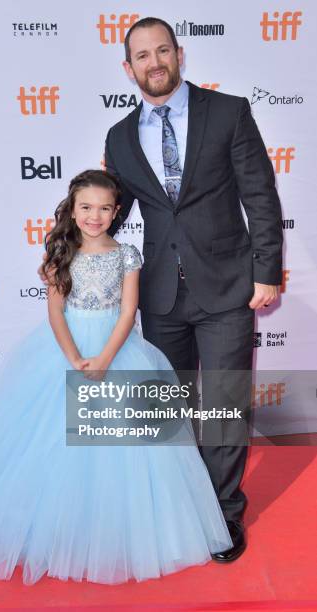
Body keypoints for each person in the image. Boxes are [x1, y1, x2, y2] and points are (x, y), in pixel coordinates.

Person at [0, 170, 233, 586]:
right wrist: (74, 359)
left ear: (117, 212)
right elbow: (54, 312)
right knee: (52, 440)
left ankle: (119, 531)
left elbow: (128, 312)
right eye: (86, 207)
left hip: (117, 352)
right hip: (65, 352)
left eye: (104, 208)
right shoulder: (60, 253)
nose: (95, 216)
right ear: (72, 209)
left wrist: (104, 359)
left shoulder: (127, 255)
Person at [82, 17, 283, 562]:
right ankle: (177, 507)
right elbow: (111, 215)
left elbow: (260, 195)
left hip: (227, 287)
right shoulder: (119, 137)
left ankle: (222, 517)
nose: (154, 63)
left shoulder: (228, 112)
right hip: (159, 293)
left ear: (179, 53)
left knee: (221, 407)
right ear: (128, 69)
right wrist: (69, 251)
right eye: (142, 56)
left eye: (162, 51)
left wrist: (268, 271)